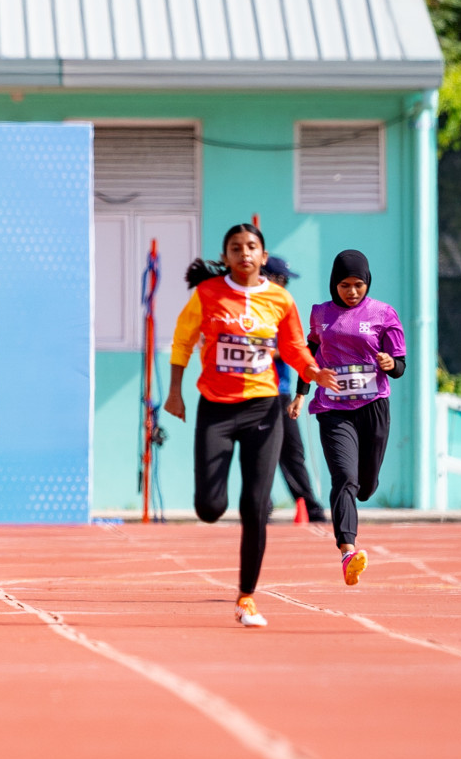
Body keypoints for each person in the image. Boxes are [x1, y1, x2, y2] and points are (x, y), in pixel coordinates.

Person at [163, 225, 338, 627]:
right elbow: (182, 340)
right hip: (217, 408)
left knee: (255, 505)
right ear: (225, 257)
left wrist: (313, 371)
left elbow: (294, 346)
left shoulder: (280, 299)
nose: (244, 253)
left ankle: (246, 597)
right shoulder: (207, 295)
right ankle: (215, 508)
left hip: (263, 409)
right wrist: (175, 391)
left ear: (263, 256)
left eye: (252, 247)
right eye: (236, 248)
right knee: (209, 508)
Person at [289, 249, 406, 586]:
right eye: (344, 285)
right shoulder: (320, 314)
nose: (352, 292)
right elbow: (309, 355)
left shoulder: (384, 314)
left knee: (365, 486)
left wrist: (389, 364)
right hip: (333, 408)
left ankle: (364, 491)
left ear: (367, 283)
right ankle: (348, 550)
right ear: (333, 284)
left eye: (358, 285)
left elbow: (400, 366)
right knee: (344, 477)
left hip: (373, 407)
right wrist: (301, 394)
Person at [264, 256, 328, 523]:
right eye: (283, 280)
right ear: (269, 278)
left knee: (292, 452)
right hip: (261, 391)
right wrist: (282, 353)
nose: (286, 286)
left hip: (282, 392)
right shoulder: (257, 307)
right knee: (261, 452)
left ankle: (310, 508)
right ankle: (261, 507)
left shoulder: (283, 308)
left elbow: (292, 348)